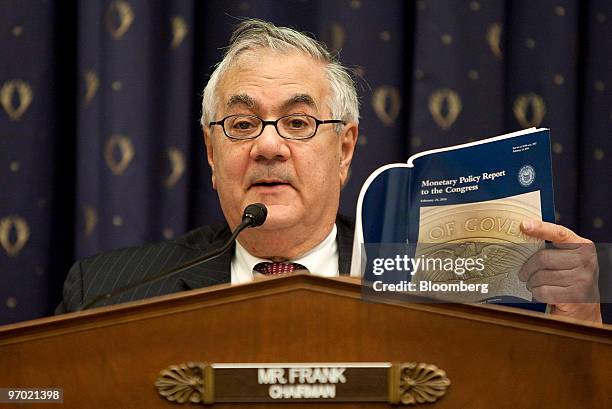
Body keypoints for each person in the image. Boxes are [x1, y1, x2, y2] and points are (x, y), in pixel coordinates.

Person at [56, 19, 601, 323]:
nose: (268, 146)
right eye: (242, 124)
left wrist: (577, 337)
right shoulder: (109, 294)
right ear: (210, 150)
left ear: (344, 149)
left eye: (297, 122)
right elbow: (33, 394)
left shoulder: (444, 283)